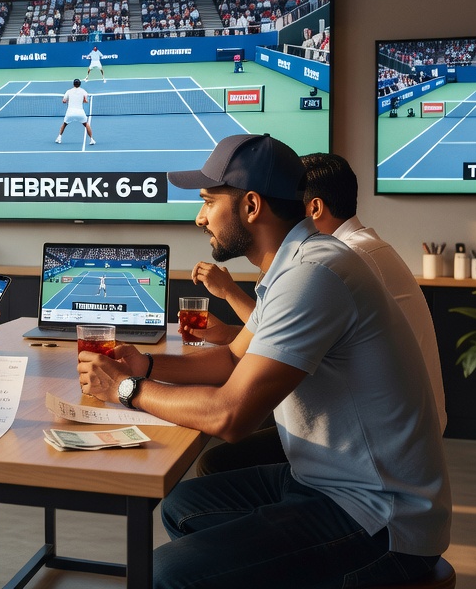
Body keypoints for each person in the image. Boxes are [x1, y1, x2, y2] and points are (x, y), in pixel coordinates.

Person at [78, 134, 450, 587]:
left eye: (208, 202)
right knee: (182, 507)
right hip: (322, 482)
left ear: (252, 206)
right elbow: (234, 359)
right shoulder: (292, 265)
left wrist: (126, 389)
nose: (199, 218)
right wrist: (145, 367)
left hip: (379, 516)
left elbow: (231, 416)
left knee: (165, 573)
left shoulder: (313, 274)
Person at [189, 151, 449, 473]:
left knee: (219, 461)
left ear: (313, 209)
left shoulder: (338, 261)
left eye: (289, 206)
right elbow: (292, 330)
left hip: (382, 443)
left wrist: (229, 292)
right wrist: (230, 333)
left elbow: (287, 329)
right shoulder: (358, 247)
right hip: (392, 423)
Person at [55, 78, 96, 146]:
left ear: (73, 84)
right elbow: (86, 101)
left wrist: (69, 100)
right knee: (86, 124)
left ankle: (59, 138)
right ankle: (92, 139)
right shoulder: (83, 91)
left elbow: (64, 101)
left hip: (70, 112)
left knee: (64, 124)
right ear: (80, 84)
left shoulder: (68, 91)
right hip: (80, 112)